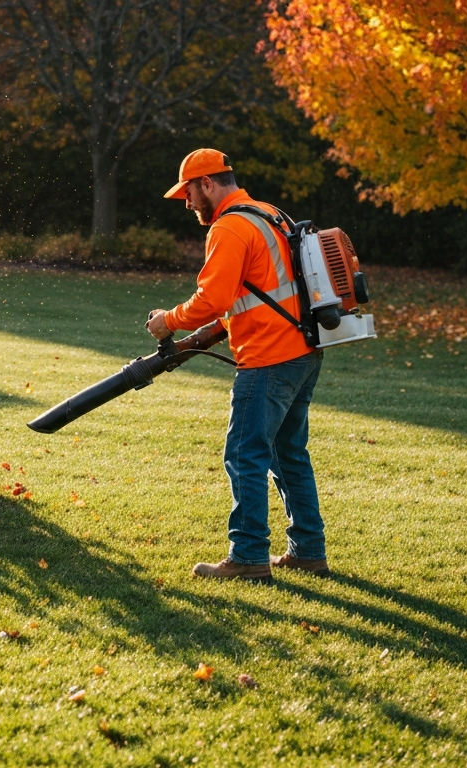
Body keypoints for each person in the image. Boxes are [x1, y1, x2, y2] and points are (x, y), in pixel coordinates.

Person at [145, 148, 329, 580]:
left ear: (207, 183)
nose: (187, 203)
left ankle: (247, 558)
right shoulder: (269, 214)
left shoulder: (230, 226)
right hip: (303, 351)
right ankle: (308, 551)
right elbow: (263, 288)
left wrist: (166, 321)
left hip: (268, 358)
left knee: (245, 454)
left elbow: (214, 299)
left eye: (188, 193)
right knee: (288, 454)